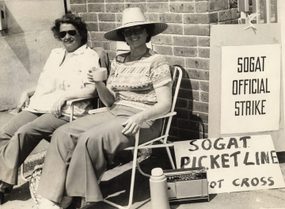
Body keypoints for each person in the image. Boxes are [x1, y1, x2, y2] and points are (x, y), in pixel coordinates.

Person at [36, 7, 172, 209]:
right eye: (128, 32)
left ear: (147, 33)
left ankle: (73, 197)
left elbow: (165, 104)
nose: (133, 35)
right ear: (124, 37)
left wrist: (139, 118)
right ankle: (49, 198)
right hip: (115, 111)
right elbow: (110, 101)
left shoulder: (157, 61)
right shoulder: (119, 61)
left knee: (90, 139)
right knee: (63, 133)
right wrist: (99, 83)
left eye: (138, 30)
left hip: (143, 120)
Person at [0, 13, 102, 204]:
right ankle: (4, 181)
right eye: (62, 34)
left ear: (81, 34)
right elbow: (48, 84)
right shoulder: (56, 54)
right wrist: (28, 92)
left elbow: (93, 90)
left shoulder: (90, 56)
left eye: (72, 32)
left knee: (25, 133)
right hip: (40, 104)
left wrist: (66, 96)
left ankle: (1, 184)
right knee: (5, 133)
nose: (67, 37)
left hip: (66, 110)